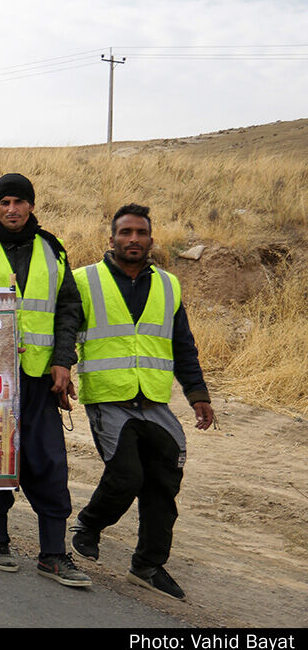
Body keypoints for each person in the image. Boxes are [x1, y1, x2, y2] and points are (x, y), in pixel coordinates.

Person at [69, 204, 214, 600]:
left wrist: (197, 394)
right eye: (126, 232)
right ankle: (88, 525)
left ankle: (148, 565)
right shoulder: (84, 281)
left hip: (153, 399)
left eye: (141, 233)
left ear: (151, 239)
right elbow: (65, 329)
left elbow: (182, 343)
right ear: (111, 238)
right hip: (108, 398)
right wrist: (61, 370)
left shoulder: (169, 285)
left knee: (164, 481)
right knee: (127, 475)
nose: (133, 239)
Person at [0, 173, 89, 587]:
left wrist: (64, 361)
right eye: (5, 202)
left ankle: (53, 554)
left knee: (49, 463)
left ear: (32, 206)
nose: (12, 210)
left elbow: (68, 310)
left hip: (40, 381)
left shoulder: (53, 251)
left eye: (19, 202)